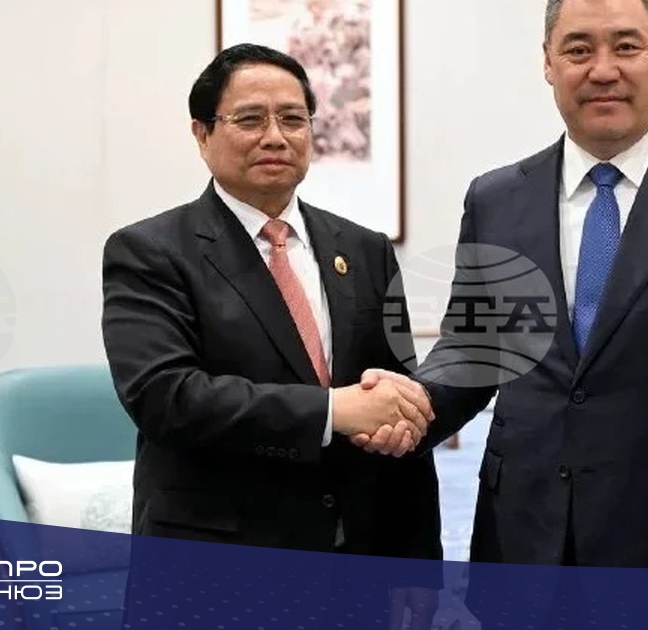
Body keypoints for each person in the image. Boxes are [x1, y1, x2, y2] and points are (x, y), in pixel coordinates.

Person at [359, 0, 648, 626]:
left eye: (626, 46)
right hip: (524, 546)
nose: (603, 69)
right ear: (549, 62)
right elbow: (475, 352)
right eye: (578, 49)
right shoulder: (498, 199)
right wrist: (408, 406)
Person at [100, 43, 440, 628]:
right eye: (250, 119)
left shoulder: (364, 251)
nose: (276, 137)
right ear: (202, 133)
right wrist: (331, 411)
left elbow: (397, 406)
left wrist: (416, 561)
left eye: (293, 118)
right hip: (213, 570)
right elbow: (166, 398)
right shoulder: (151, 252)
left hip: (352, 566)